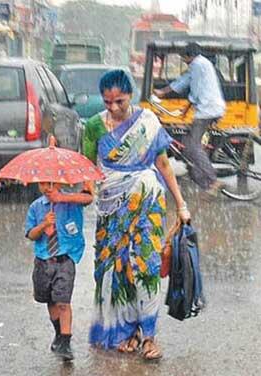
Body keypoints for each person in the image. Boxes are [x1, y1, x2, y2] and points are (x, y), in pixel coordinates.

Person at [83, 69, 190, 360]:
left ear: (130, 95)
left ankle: (149, 337)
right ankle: (126, 331)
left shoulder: (147, 122)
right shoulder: (93, 127)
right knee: (117, 270)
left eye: (120, 101)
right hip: (110, 207)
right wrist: (85, 190)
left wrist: (180, 204)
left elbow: (164, 166)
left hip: (148, 202)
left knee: (147, 266)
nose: (114, 108)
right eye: (108, 102)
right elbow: (87, 169)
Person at [25, 181, 93, 361]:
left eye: (52, 183)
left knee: (63, 302)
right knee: (50, 300)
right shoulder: (36, 207)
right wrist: (43, 225)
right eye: (43, 184)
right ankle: (59, 333)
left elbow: (88, 198)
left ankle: (66, 342)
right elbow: (31, 234)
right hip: (43, 260)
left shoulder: (71, 202)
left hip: (65, 259)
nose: (48, 187)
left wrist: (61, 197)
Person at [154, 42, 226, 197]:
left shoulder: (198, 65)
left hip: (207, 110)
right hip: (211, 108)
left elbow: (194, 89)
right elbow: (183, 81)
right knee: (188, 145)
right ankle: (201, 179)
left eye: (183, 57)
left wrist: (163, 94)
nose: (183, 60)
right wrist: (163, 92)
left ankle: (212, 180)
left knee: (192, 146)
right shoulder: (201, 64)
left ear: (189, 55)